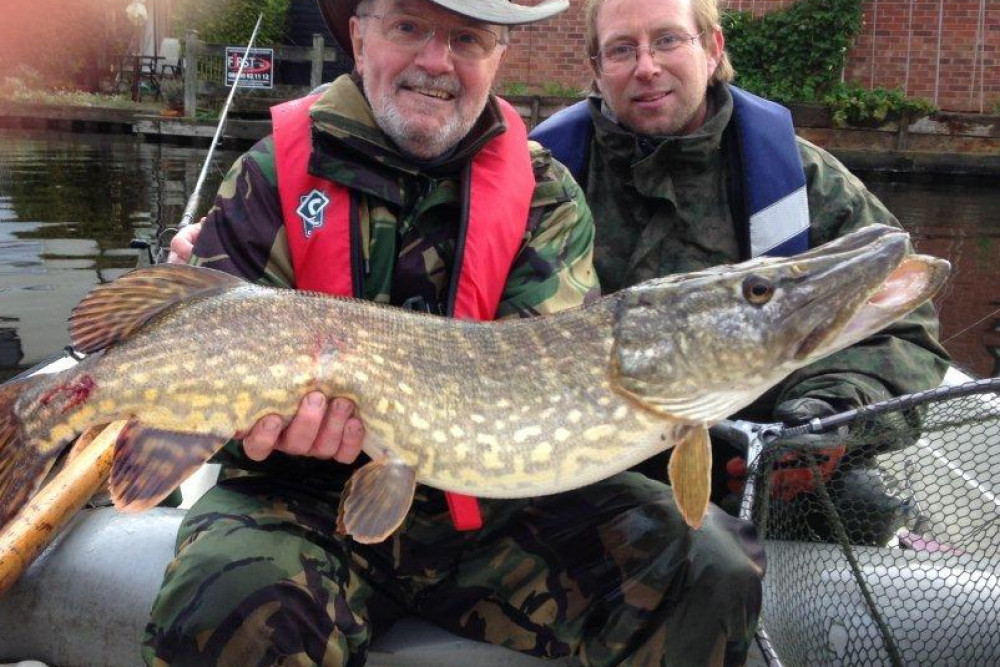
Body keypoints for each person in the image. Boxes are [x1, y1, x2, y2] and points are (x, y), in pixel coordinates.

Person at [149, 0, 766, 664]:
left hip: (499, 515)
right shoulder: (270, 174)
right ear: (360, 38)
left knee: (710, 563)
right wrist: (263, 430)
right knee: (226, 598)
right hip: (296, 499)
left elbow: (544, 384)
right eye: (409, 27)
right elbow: (199, 375)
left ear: (497, 56)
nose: (436, 62)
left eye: (467, 39)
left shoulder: (546, 195)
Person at [529, 0, 951, 546]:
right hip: (579, 461)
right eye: (622, 49)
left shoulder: (800, 177)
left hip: (755, 462)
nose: (647, 66)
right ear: (597, 68)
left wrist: (829, 414)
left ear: (712, 49)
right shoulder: (541, 180)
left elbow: (905, 333)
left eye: (668, 40)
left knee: (860, 507)